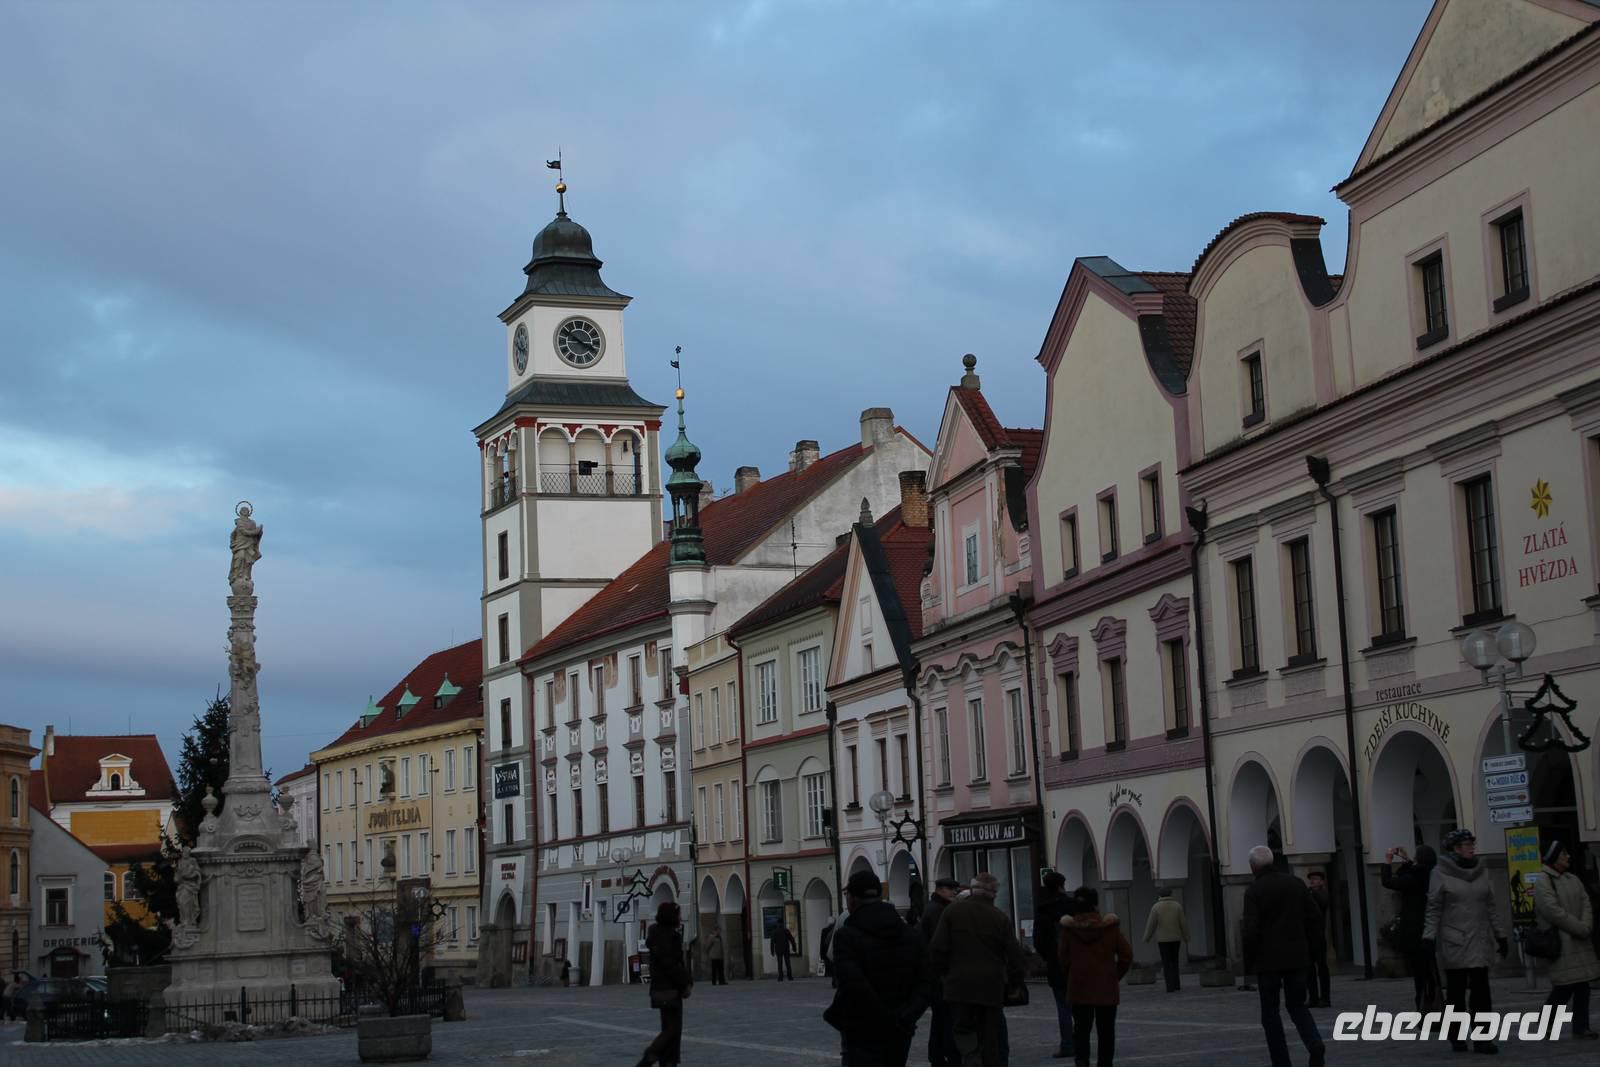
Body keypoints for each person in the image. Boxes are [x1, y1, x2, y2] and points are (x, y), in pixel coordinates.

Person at [825, 868, 930, 1067]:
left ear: (852, 900)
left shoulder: (846, 936)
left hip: (861, 1028)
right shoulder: (911, 935)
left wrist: (884, 1018)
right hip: (901, 1028)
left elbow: (853, 984)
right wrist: (906, 1016)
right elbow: (926, 982)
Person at [1423, 828, 1509, 1054]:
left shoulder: (1480, 871)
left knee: (1482, 991)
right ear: (1455, 848)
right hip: (1455, 940)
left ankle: (1483, 1038)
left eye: (1472, 843)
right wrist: (1428, 937)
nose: (1471, 847)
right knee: (1456, 992)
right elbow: (1433, 908)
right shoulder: (1440, 873)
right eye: (1466, 844)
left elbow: (1490, 905)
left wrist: (1500, 934)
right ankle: (1457, 1036)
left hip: (1480, 939)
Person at [929, 872, 1025, 1067]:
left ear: (973, 890)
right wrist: (1015, 983)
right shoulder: (1000, 918)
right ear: (994, 894)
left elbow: (937, 948)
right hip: (991, 987)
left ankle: (971, 1059)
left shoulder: (952, 912)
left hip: (959, 985)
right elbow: (1015, 956)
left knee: (964, 1029)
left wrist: (944, 974)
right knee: (991, 1034)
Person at [1242, 844, 1325, 1067]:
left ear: (1253, 867)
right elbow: (1314, 917)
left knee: (1270, 1014)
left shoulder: (1254, 890)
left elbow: (1250, 930)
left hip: (1267, 961)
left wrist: (1248, 964)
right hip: (1297, 957)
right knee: (1297, 1006)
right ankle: (1314, 1041)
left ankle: (1281, 1062)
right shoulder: (1296, 884)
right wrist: (1309, 946)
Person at [1058, 886, 1133, 1067]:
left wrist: (1072, 975)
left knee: (1082, 1032)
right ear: (1095, 905)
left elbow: (1062, 959)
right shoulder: (1110, 928)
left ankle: (1082, 1063)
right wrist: (1114, 975)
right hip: (1106, 988)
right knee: (1106, 1032)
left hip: (1079, 987)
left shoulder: (1069, 930)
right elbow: (1126, 956)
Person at [1533, 841, 1600, 1040]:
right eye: (1564, 854)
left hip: (1580, 941)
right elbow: (1552, 911)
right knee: (1563, 987)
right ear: (1554, 858)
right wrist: (1578, 927)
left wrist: (1586, 925)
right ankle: (1545, 1024)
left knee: (1582, 986)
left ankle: (1581, 1027)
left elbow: (1585, 902)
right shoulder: (1543, 880)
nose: (1568, 857)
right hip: (1562, 943)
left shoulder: (1573, 879)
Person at [1380, 845, 1439, 1010]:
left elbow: (1389, 881)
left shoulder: (1414, 877)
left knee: (1420, 974)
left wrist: (1388, 861)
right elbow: (1407, 873)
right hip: (1432, 927)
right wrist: (1407, 861)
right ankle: (1433, 1004)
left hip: (1415, 930)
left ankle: (1424, 1007)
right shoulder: (1433, 874)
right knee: (1431, 971)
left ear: (1419, 859)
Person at [636, 901, 693, 1067]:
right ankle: (651, 1056)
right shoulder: (669, 936)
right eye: (678, 914)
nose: (680, 917)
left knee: (670, 1028)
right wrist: (686, 982)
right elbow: (672, 964)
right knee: (672, 1029)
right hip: (670, 988)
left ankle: (668, 1062)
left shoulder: (656, 935)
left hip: (659, 988)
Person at [1035, 871, 1079, 1057]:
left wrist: (1049, 957)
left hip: (1056, 964)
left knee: (1063, 1007)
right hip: (1078, 962)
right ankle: (1081, 1041)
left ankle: (1067, 1045)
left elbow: (1039, 941)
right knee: (1080, 1006)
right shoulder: (1074, 905)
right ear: (1063, 884)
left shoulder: (1044, 909)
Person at [919, 876, 962, 1067]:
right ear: (940, 890)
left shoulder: (936, 908)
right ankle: (944, 1055)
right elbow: (940, 945)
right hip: (940, 976)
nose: (954, 892)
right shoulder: (938, 911)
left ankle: (937, 1055)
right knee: (945, 1019)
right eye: (951, 889)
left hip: (935, 975)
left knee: (940, 1018)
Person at [1141, 887, 1187, 994]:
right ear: (1170, 894)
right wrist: (1186, 936)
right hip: (1176, 938)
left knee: (1166, 962)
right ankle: (1177, 984)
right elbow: (1183, 923)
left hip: (1163, 940)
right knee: (1175, 961)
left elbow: (1151, 924)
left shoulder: (1156, 907)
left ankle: (1169, 986)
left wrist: (1147, 937)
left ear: (1160, 895)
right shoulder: (1177, 906)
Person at [1305, 871, 1331, 1008]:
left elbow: (1323, 903)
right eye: (1311, 879)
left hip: (1318, 936)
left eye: (1316, 879)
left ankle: (1325, 998)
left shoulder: (1322, 894)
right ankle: (1313, 997)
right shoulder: (1308, 893)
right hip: (1307, 935)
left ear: (1322, 881)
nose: (1313, 881)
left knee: (1322, 967)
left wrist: (1311, 893)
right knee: (1309, 969)